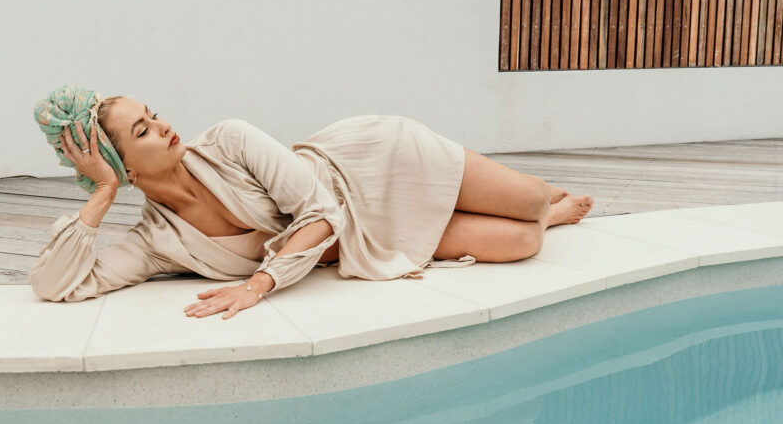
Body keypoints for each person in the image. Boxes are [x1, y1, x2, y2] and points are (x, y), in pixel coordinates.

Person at [29, 86, 594, 320]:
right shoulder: (157, 243)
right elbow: (56, 286)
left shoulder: (228, 138)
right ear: (123, 167)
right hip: (364, 241)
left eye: (153, 115)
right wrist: (102, 195)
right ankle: (544, 215)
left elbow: (322, 212)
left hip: (367, 167)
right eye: (144, 132)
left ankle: (540, 199)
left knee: (525, 198)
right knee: (522, 241)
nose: (165, 126)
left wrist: (258, 286)